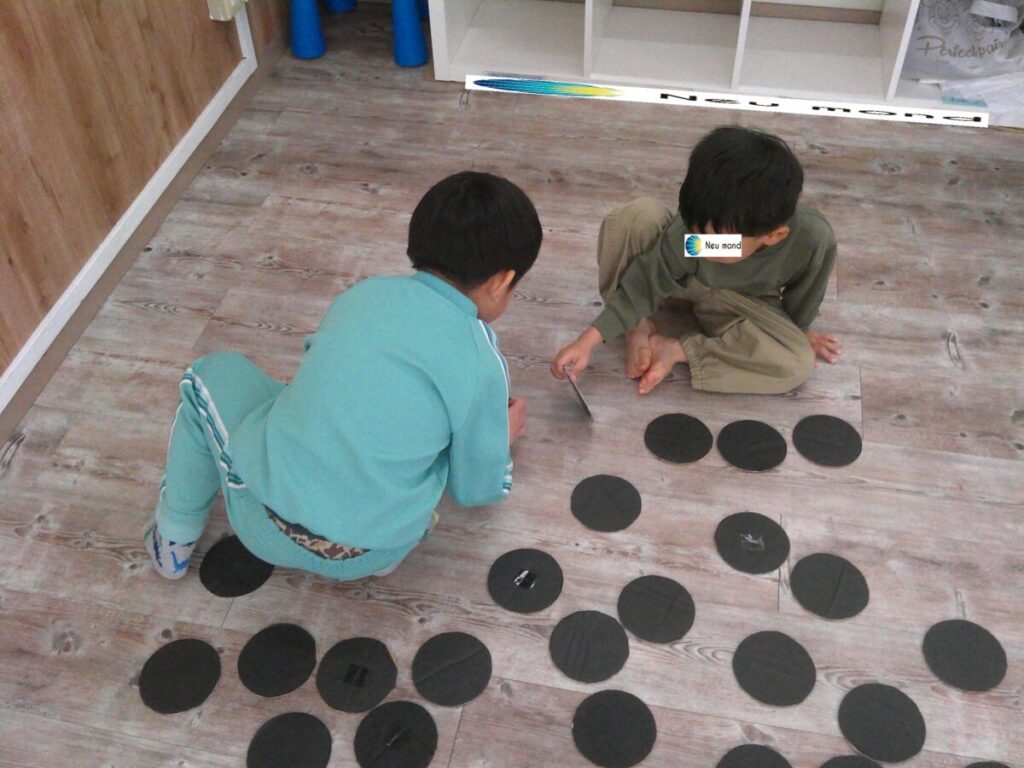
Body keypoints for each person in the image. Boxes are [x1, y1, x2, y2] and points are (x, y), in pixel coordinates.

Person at [145, 171, 541, 581]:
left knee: (208, 374)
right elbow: (476, 489)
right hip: (374, 550)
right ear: (502, 282)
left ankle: (173, 538)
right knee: (437, 439)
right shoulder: (480, 357)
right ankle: (385, 555)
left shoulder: (361, 295)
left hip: (262, 526)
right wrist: (499, 439)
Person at [552, 125, 840, 396]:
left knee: (797, 362)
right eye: (697, 232)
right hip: (682, 280)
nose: (703, 243)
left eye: (717, 241)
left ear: (774, 236)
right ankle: (636, 327)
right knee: (635, 218)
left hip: (740, 304)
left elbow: (806, 292)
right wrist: (586, 342)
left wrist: (799, 329)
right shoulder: (696, 238)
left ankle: (673, 350)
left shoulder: (812, 237)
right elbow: (645, 284)